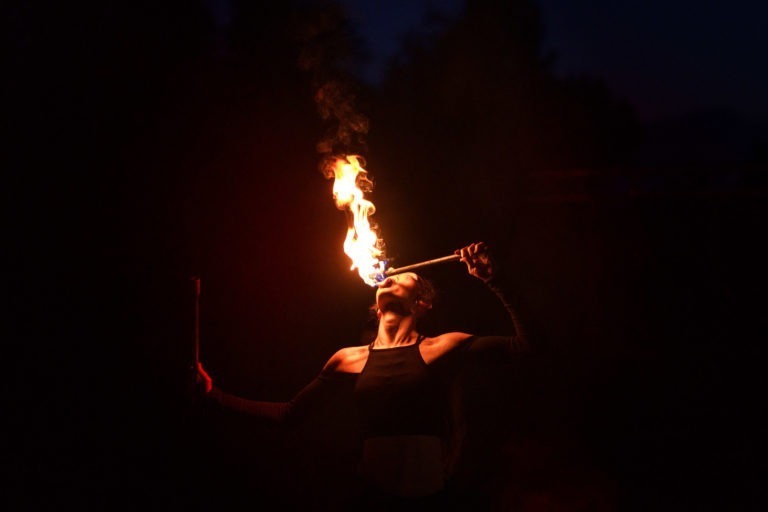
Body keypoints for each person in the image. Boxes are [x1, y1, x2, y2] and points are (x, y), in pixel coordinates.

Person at [195, 241, 534, 510]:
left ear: (422, 304)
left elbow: (525, 346)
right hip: (372, 500)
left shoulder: (442, 347)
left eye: (404, 276)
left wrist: (495, 280)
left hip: (432, 502)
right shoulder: (348, 359)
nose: (393, 275)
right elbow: (288, 415)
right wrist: (214, 395)